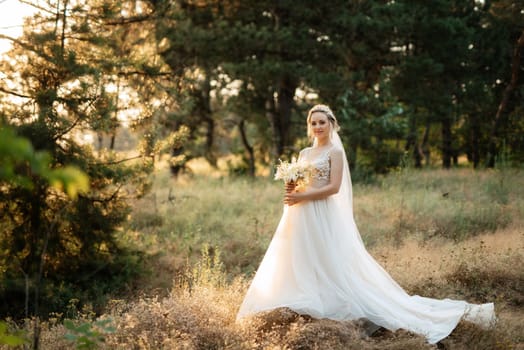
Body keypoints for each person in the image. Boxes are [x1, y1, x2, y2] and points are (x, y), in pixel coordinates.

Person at [236, 104, 495, 344]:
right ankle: (302, 300)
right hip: (299, 213)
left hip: (321, 212)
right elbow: (300, 181)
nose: (317, 127)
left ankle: (340, 304)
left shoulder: (334, 152)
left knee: (327, 258)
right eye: (313, 123)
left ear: (331, 125)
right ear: (309, 125)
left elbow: (333, 187)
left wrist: (302, 195)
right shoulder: (304, 152)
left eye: (322, 123)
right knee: (300, 256)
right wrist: (291, 185)